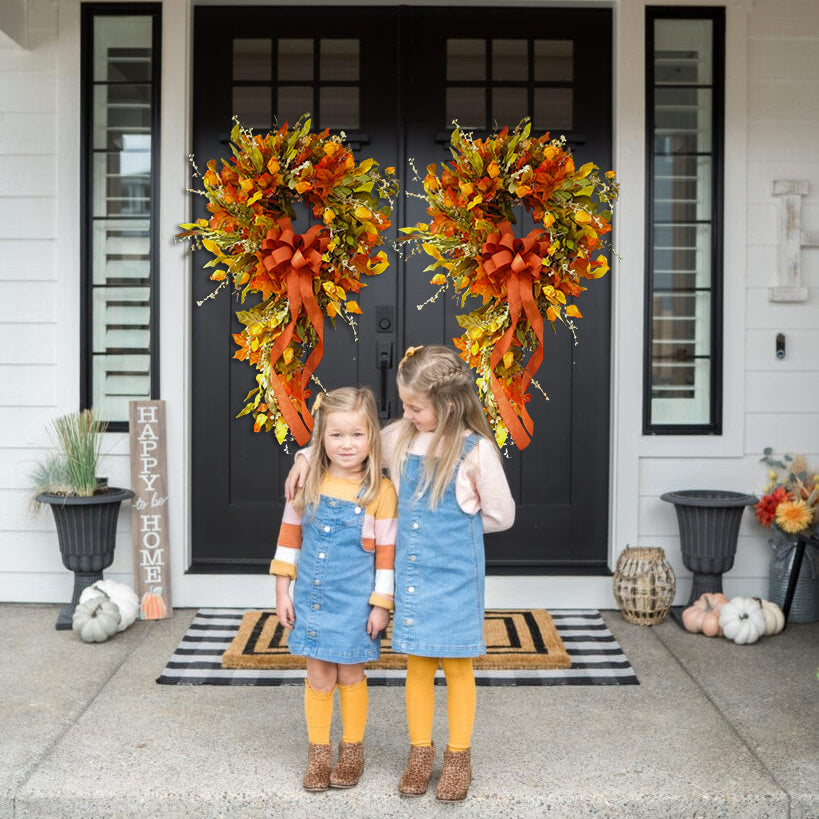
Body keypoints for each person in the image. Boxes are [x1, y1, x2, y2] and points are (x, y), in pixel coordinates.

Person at [285, 346, 515, 801]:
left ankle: (458, 757)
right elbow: (350, 444)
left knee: (457, 665)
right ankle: (420, 752)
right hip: (411, 575)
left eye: (414, 406)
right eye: (405, 405)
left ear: (447, 405)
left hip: (454, 578)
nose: (406, 412)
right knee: (418, 664)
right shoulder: (401, 438)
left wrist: (458, 528)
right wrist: (304, 457)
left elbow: (502, 515)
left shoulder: (475, 450)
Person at [271, 386, 397, 792]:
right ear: (321, 438)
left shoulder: (380, 492)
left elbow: (386, 556)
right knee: (318, 674)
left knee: (350, 674)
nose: (347, 444)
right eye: (336, 435)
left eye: (357, 435)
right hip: (312, 597)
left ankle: (353, 749)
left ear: (372, 437)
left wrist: (381, 604)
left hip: (355, 602)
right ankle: (319, 751)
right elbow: (289, 540)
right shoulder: (308, 483)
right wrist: (281, 591)